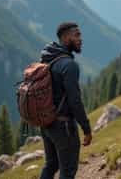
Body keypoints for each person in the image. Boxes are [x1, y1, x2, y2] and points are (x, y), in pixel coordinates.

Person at [39, 22, 92, 179]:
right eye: (77, 35)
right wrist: (86, 129)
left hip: (46, 123)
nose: (80, 39)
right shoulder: (69, 65)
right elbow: (75, 101)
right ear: (66, 37)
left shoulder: (48, 58)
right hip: (64, 127)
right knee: (67, 171)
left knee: (51, 165)